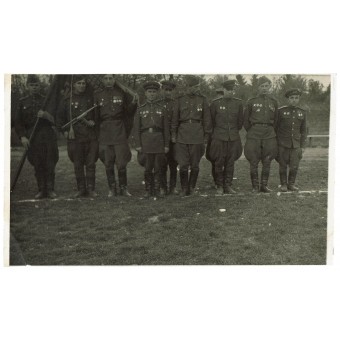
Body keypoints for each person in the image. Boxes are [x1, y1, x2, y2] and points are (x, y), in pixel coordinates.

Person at [15, 74, 59, 199]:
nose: (34, 87)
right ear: (27, 86)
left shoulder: (47, 100)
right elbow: (18, 123)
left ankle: (50, 190)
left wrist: (46, 115)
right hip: (32, 137)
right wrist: (22, 137)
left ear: (40, 86)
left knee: (50, 162)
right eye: (32, 85)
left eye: (36, 85)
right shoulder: (22, 102)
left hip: (47, 135)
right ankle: (41, 189)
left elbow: (56, 120)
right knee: (37, 163)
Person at [94, 74, 137, 197]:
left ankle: (123, 188)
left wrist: (133, 103)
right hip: (105, 131)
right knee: (108, 162)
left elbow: (128, 113)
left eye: (111, 78)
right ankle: (112, 189)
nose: (108, 81)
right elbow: (96, 117)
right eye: (106, 78)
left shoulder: (121, 93)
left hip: (119, 130)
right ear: (102, 80)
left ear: (114, 80)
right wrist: (98, 134)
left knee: (122, 162)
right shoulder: (98, 95)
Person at [56, 75, 98, 198]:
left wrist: (93, 122)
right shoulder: (67, 101)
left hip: (90, 136)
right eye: (79, 83)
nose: (81, 85)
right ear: (73, 85)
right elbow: (59, 119)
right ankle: (81, 189)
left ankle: (91, 189)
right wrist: (64, 132)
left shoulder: (91, 98)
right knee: (78, 164)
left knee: (91, 164)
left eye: (83, 83)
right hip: (75, 137)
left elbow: (97, 116)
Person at [171, 75, 212, 196]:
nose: (196, 89)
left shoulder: (202, 100)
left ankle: (192, 188)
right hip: (182, 136)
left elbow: (207, 119)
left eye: (197, 87)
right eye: (194, 87)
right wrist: (173, 134)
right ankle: (184, 188)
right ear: (188, 87)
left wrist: (206, 137)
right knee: (183, 164)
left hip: (197, 135)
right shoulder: (179, 100)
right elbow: (174, 119)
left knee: (195, 165)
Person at [133, 80, 170, 198]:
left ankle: (157, 190)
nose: (152, 94)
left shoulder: (162, 108)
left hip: (158, 141)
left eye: (154, 92)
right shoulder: (140, 109)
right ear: (145, 93)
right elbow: (136, 129)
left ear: (157, 93)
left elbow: (166, 129)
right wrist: (138, 144)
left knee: (158, 167)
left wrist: (166, 145)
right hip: (146, 141)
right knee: (148, 168)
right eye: (150, 92)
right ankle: (148, 190)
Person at [244, 76, 278, 193]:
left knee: (267, 160)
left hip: (269, 133)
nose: (264, 88)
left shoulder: (274, 102)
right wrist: (253, 130)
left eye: (266, 86)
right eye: (262, 86)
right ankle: (255, 186)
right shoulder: (251, 101)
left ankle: (264, 185)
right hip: (254, 133)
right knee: (253, 160)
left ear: (270, 87)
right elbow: (245, 121)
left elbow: (276, 120)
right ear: (258, 88)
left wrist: (269, 129)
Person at [209, 80, 244, 194]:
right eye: (228, 90)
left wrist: (232, 132)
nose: (231, 92)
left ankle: (227, 185)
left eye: (233, 90)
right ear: (223, 90)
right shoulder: (215, 103)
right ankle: (219, 185)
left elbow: (239, 122)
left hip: (233, 137)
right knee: (219, 162)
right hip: (219, 137)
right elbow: (212, 121)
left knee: (230, 162)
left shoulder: (238, 104)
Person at [276, 88, 307, 191]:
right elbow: (275, 128)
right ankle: (284, 184)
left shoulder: (302, 113)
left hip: (296, 144)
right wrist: (276, 144)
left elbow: (304, 131)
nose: (294, 100)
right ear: (288, 99)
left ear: (299, 99)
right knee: (283, 165)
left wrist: (302, 146)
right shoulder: (280, 111)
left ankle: (291, 184)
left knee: (294, 166)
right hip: (283, 144)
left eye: (296, 98)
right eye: (292, 98)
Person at [159, 80, 178, 194]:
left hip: (173, 138)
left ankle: (173, 187)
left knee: (174, 163)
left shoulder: (176, 104)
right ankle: (162, 187)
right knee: (162, 163)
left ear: (173, 91)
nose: (168, 92)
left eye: (170, 90)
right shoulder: (158, 104)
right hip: (161, 138)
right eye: (166, 90)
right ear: (162, 90)